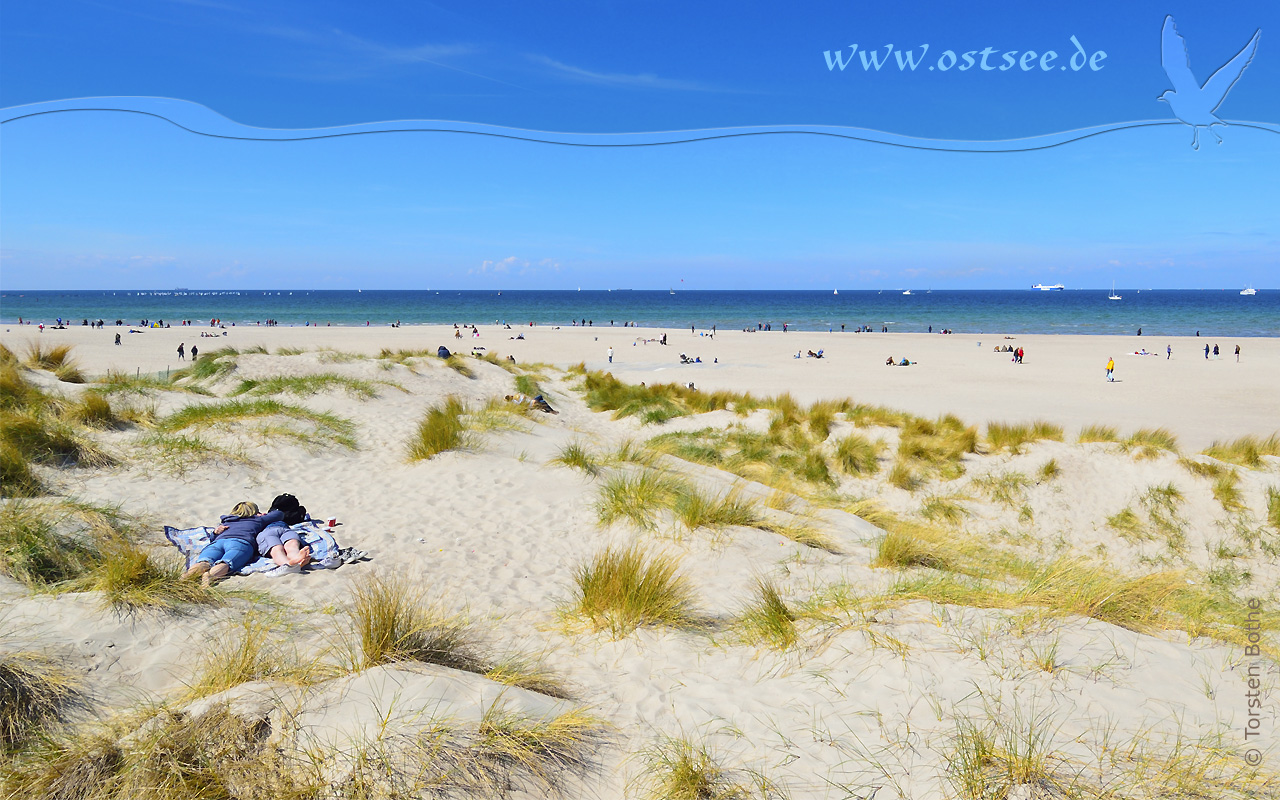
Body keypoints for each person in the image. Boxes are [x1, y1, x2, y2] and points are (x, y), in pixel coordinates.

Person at [182, 502, 285, 585]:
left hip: (219, 542)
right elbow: (279, 514)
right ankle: (209, 576)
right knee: (226, 563)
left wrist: (214, 533)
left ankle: (184, 578)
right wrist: (261, 515)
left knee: (204, 562)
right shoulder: (257, 519)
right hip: (240, 543)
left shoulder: (227, 521)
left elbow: (212, 538)